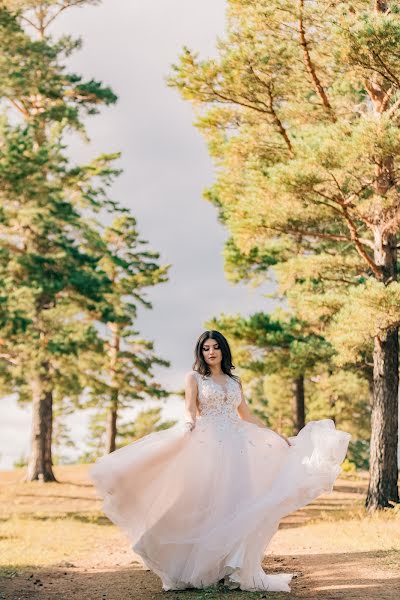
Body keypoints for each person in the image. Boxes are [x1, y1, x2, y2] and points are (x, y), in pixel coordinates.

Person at [90, 330, 351, 593]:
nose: (211, 352)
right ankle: (199, 568)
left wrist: (277, 436)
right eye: (206, 348)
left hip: (238, 447)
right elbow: (190, 409)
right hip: (208, 444)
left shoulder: (234, 381)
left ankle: (235, 566)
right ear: (200, 352)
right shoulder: (193, 378)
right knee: (208, 504)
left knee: (240, 503)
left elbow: (246, 414)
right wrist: (188, 426)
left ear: (223, 350)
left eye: (216, 347)